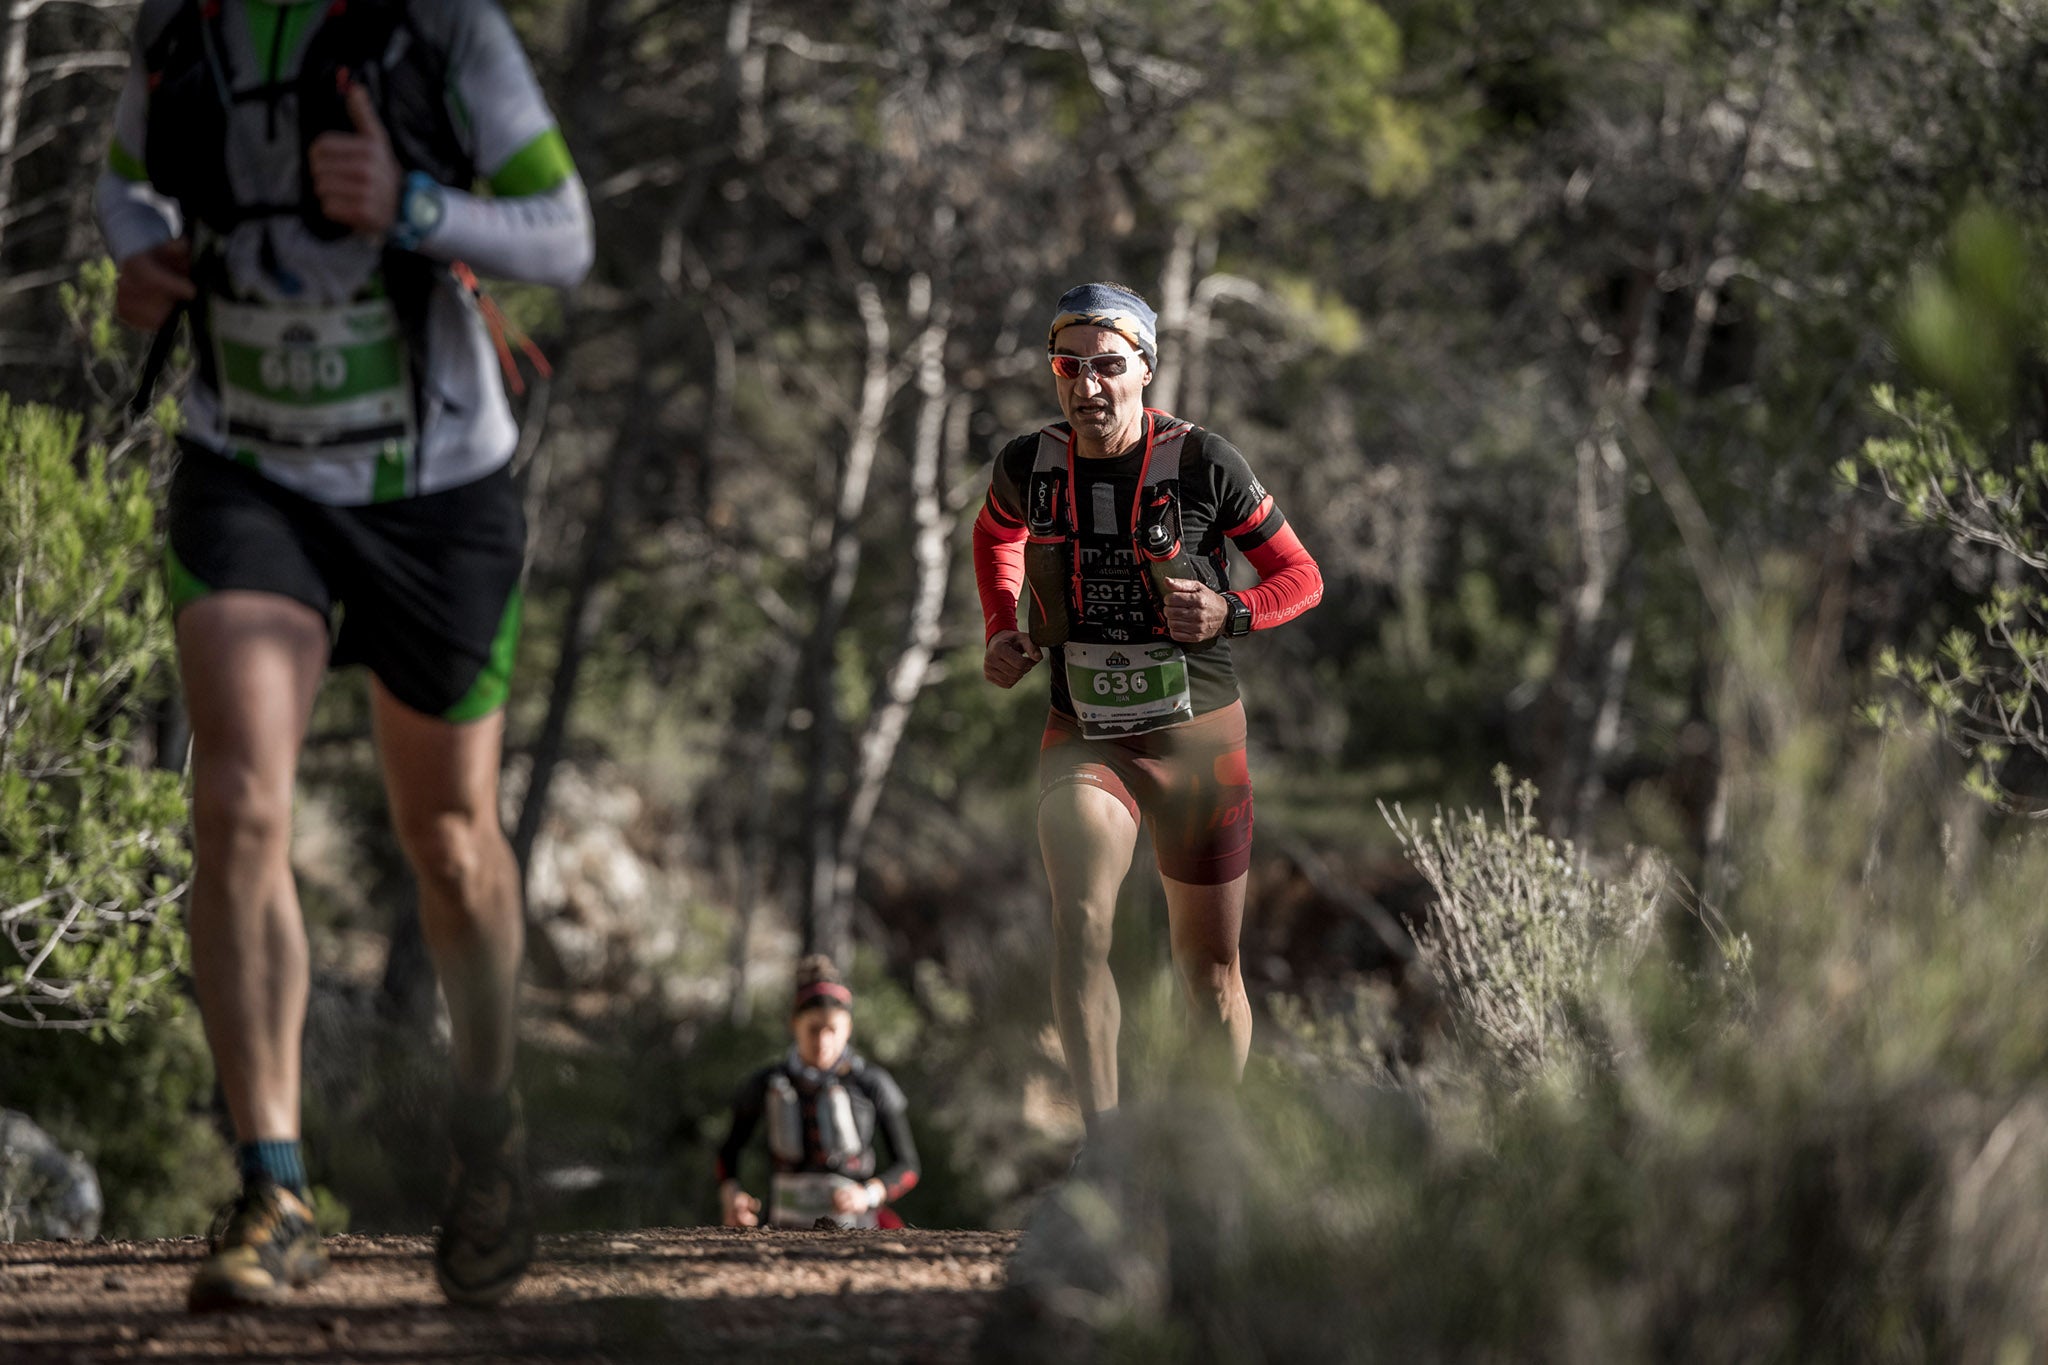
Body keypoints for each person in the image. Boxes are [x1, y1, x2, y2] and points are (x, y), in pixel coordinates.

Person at [95, 0, 593, 1312]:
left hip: (437, 492)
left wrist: (415, 207)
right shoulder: (183, 25)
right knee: (240, 802)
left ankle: (487, 1138)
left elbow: (565, 231)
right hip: (249, 471)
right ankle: (274, 1186)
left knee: (451, 843)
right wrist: (139, 261)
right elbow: (124, 183)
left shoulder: (445, 33)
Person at [973, 281, 1323, 1150]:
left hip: (1199, 741)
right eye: (1069, 366)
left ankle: (1210, 1153)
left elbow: (1301, 577)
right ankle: (1106, 1150)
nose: (1088, 386)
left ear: (1146, 368)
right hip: (1084, 731)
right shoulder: (1031, 463)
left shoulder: (1204, 463)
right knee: (1081, 926)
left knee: (1207, 970)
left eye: (1108, 367)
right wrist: (1002, 626)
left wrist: (1230, 611)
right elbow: (994, 536)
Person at [717, 957, 921, 1230]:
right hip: (781, 1224)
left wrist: (868, 1195)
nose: (823, 1041)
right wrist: (732, 1197)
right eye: (813, 1029)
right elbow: (727, 1153)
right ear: (794, 1024)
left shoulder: (871, 1083)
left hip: (858, 1225)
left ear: (848, 1028)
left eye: (832, 1030)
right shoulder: (767, 1083)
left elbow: (908, 1165)